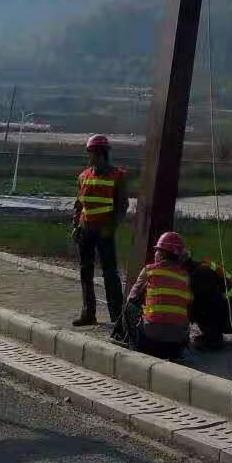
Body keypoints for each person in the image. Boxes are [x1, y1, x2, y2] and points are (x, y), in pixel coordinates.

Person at [71, 134, 128, 329]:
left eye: (93, 153)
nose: (90, 157)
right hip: (86, 230)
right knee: (85, 273)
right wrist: (76, 226)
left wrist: (110, 229)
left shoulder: (118, 176)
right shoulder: (83, 176)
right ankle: (88, 314)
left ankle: (118, 315)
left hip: (104, 232)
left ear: (102, 154)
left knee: (110, 274)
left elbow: (121, 207)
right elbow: (79, 205)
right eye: (90, 153)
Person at [124, 230, 193, 361]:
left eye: (157, 250)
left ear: (162, 253)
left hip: (149, 343)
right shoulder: (185, 277)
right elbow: (188, 304)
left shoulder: (150, 270)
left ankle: (133, 347)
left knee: (128, 307)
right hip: (176, 346)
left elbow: (131, 299)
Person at [185, 255, 232, 351]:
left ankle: (213, 338)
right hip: (230, 307)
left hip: (231, 311)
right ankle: (211, 334)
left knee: (201, 304)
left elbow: (201, 300)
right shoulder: (201, 268)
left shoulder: (201, 273)